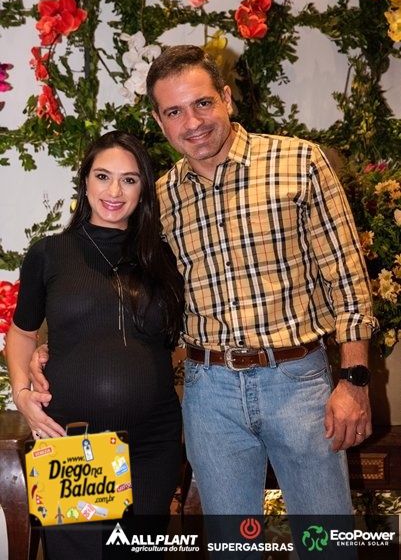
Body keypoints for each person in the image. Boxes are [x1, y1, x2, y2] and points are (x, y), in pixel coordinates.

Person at [31, 47, 377, 554]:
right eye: (174, 111)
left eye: (202, 103)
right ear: (159, 121)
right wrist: (51, 348)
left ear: (227, 99)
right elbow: (111, 281)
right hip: (209, 393)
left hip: (298, 384)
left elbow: (347, 277)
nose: (192, 123)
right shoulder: (161, 198)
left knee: (327, 545)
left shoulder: (299, 162)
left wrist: (355, 379)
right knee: (234, 546)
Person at [6, 131, 184, 560]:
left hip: (152, 444)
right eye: (103, 176)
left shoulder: (163, 257)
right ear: (84, 180)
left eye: (129, 180)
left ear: (143, 190)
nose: (114, 191)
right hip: (73, 440)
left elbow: (177, 341)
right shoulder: (49, 253)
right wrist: (22, 392)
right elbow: (22, 333)